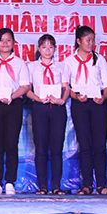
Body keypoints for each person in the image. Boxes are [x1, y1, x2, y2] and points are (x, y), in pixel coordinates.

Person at [0, 28, 30, 196]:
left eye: (8, 40)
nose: (5, 43)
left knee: (11, 144)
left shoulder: (20, 63)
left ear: (14, 42)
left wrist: (11, 96)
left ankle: (10, 182)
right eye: (2, 40)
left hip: (13, 105)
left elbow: (25, 86)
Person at [65, 26, 107, 195]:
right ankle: (86, 184)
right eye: (88, 40)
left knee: (100, 145)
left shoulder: (99, 59)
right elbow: (66, 86)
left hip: (98, 103)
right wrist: (75, 96)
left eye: (93, 39)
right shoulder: (69, 61)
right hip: (80, 104)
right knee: (85, 145)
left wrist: (104, 96)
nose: (91, 43)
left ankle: (101, 185)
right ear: (78, 41)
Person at [27, 34, 70, 195]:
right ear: (39, 49)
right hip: (40, 107)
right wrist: (37, 98)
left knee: (57, 147)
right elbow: (26, 89)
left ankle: (56, 185)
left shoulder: (62, 67)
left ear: (55, 49)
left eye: (51, 47)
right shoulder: (31, 67)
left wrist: (61, 100)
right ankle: (42, 186)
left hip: (57, 108)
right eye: (44, 47)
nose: (47, 50)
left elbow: (66, 87)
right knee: (41, 147)